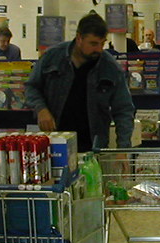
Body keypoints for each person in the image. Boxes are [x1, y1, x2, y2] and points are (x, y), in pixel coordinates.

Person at [24, 13, 135, 151]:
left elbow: (124, 110)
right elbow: (31, 87)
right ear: (79, 38)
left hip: (92, 146)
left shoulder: (110, 68)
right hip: (54, 141)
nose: (99, 49)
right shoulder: (53, 57)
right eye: (93, 43)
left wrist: (123, 149)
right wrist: (41, 109)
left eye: (102, 43)